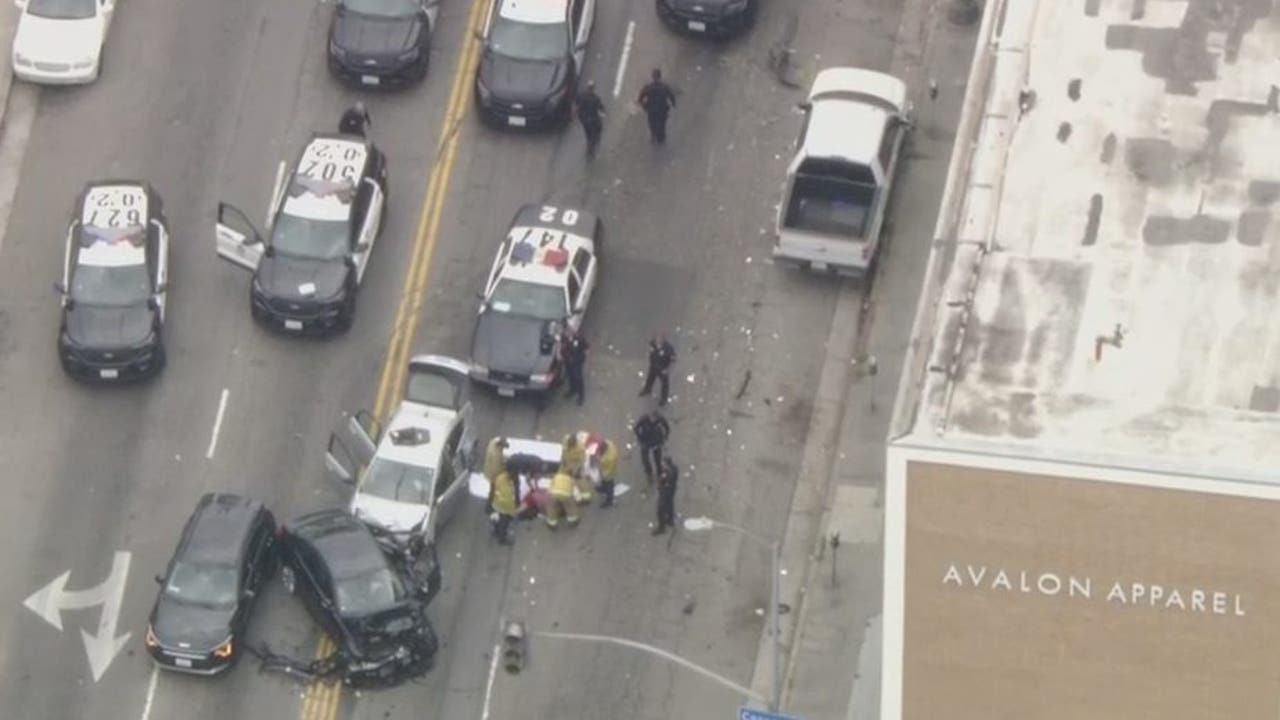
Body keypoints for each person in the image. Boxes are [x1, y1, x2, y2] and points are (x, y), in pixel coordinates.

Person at [637, 68, 677, 144]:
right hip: (662, 109)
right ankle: (661, 137)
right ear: (660, 77)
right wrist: (673, 104)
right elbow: (671, 96)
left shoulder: (648, 87)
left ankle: (653, 134)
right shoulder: (665, 87)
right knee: (662, 123)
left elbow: (641, 96)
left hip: (651, 109)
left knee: (652, 123)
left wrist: (642, 104)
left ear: (652, 77)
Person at [632, 409, 670, 485]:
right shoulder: (644, 419)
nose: (653, 421)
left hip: (656, 441)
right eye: (652, 419)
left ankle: (659, 471)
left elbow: (667, 427)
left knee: (657, 458)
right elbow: (636, 428)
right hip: (645, 441)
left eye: (654, 420)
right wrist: (639, 437)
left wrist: (665, 437)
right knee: (645, 459)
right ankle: (649, 473)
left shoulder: (660, 419)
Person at [639, 334, 676, 406]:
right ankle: (647, 390)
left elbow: (673, 359)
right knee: (650, 379)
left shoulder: (668, 348)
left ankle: (663, 399)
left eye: (659, 339)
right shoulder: (652, 344)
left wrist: (667, 369)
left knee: (664, 385)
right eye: (656, 339)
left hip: (663, 369)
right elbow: (651, 352)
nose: (657, 341)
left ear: (663, 340)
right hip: (653, 366)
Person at [575, 81, 606, 157]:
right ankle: (591, 148)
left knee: (588, 133)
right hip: (592, 119)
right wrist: (603, 111)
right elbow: (601, 107)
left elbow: (577, 104)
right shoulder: (595, 98)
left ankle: (589, 144)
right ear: (593, 89)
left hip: (584, 119)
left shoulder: (581, 96)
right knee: (596, 132)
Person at [489, 469, 518, 545]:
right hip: (503, 509)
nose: (516, 478)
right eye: (515, 476)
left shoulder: (500, 477)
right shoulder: (507, 487)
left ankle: (496, 531)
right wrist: (513, 512)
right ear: (512, 475)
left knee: (496, 519)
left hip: (496, 503)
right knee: (504, 524)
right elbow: (508, 503)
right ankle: (502, 540)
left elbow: (496, 490)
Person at [652, 456, 679, 535]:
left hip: (666, 492)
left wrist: (661, 481)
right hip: (672, 491)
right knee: (670, 504)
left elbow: (664, 482)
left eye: (663, 463)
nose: (662, 464)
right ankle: (670, 520)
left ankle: (661, 527)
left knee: (660, 509)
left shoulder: (667, 473)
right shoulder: (675, 468)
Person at [592, 437, 619, 508]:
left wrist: (597, 457)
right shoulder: (609, 444)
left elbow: (601, 461)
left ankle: (609, 500)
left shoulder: (608, 458)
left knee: (609, 484)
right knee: (605, 481)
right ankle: (603, 488)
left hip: (608, 471)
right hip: (606, 469)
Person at [563, 331, 589, 405]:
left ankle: (581, 396)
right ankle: (572, 390)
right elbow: (563, 347)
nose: (567, 334)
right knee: (571, 376)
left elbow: (586, 348)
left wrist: (580, 359)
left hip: (577, 362)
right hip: (568, 361)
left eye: (568, 333)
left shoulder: (579, 339)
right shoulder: (565, 338)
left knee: (578, 378)